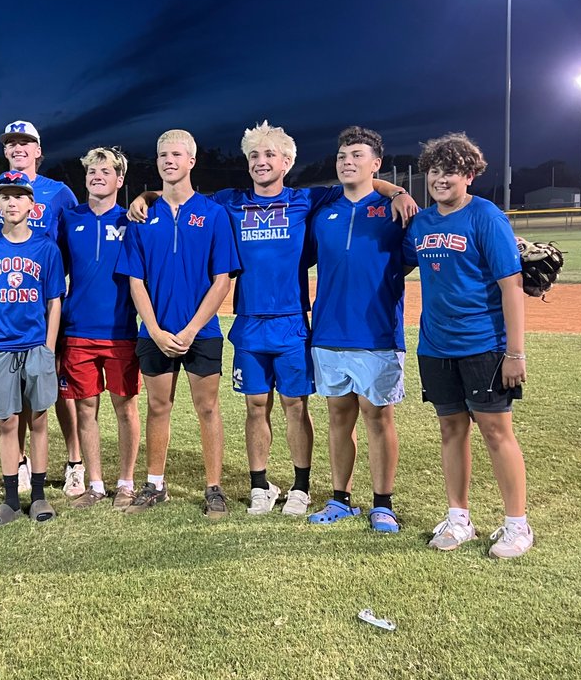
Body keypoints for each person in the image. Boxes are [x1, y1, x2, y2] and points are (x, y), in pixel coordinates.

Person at [129, 121, 413, 517]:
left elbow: (363, 184)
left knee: (295, 405)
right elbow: (182, 193)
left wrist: (397, 190)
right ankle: (260, 484)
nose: (260, 163)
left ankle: (300, 486)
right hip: (248, 321)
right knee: (255, 404)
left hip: (293, 321)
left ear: (287, 161)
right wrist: (147, 194)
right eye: (253, 156)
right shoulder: (230, 200)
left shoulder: (307, 200)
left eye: (268, 155)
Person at [402, 132, 533, 558]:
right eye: (436, 171)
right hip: (436, 345)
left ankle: (517, 525)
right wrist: (392, 193)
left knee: (497, 431)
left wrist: (515, 352)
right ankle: (459, 518)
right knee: (451, 430)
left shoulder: (486, 216)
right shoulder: (421, 223)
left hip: (484, 344)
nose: (441, 179)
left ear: (470, 175)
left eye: (452, 171)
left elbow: (511, 287)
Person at [116, 129, 240, 519]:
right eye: (162, 155)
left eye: (176, 154)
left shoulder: (214, 213)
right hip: (154, 330)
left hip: (200, 331)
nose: (169, 161)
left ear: (191, 161)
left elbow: (223, 280)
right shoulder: (142, 215)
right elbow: (135, 280)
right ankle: (155, 484)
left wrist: (189, 330)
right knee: (157, 406)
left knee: (207, 408)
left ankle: (214, 488)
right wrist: (153, 329)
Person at [306, 126, 411, 533]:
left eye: (357, 155)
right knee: (338, 418)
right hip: (329, 330)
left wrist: (398, 193)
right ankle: (340, 499)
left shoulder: (394, 211)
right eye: (342, 155)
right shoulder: (323, 213)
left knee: (378, 417)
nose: (347, 161)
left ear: (376, 164)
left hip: (377, 333)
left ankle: (382, 503)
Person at [0, 121, 84, 497]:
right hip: (6, 310)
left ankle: (74, 462)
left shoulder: (58, 192)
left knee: (57, 390)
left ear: (39, 150)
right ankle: (18, 463)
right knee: (13, 397)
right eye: (11, 143)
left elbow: (77, 234)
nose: (18, 147)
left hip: (47, 304)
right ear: (5, 151)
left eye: (26, 142)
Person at [0, 170, 66, 525]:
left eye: (18, 196)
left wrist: (49, 347)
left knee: (38, 420)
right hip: (0, 348)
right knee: (7, 423)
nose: (11, 201)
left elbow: (54, 300)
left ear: (31, 204)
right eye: (4, 196)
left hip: (36, 345)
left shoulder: (45, 247)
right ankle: (10, 498)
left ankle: (38, 496)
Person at [58, 147, 141, 510]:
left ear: (119, 180)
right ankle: (94, 483)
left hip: (120, 330)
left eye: (105, 171)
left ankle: (125, 482)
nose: (97, 176)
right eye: (92, 170)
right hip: (77, 331)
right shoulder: (68, 218)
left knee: (125, 409)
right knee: (85, 410)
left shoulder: (132, 219)